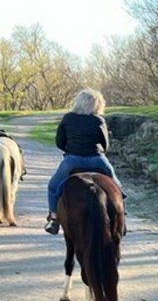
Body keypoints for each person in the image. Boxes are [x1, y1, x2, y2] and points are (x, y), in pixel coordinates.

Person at [45, 89, 123, 234]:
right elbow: (105, 144)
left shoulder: (68, 118)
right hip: (96, 159)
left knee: (53, 187)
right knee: (117, 186)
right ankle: (120, 217)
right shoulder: (99, 120)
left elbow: (59, 142)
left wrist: (69, 150)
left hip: (72, 160)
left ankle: (54, 219)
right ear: (97, 105)